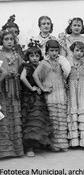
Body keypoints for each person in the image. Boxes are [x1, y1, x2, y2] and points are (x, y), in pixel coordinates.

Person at [33, 39, 71, 152]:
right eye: (51, 50)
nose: (54, 53)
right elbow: (35, 75)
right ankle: (54, 145)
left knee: (61, 117)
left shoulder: (60, 62)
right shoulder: (44, 63)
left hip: (60, 91)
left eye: (56, 50)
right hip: (50, 92)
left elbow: (63, 75)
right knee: (53, 118)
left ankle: (62, 144)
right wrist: (43, 87)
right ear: (47, 51)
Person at [19, 40, 51, 157]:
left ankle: (38, 144)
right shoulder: (26, 66)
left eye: (37, 55)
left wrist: (43, 87)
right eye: (32, 55)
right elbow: (22, 78)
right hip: (29, 96)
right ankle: (29, 147)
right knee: (30, 121)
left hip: (39, 96)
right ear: (28, 57)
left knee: (39, 120)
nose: (34, 58)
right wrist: (32, 88)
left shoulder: (40, 66)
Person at [0, 29, 23, 158]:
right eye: (6, 39)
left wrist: (17, 75)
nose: (9, 41)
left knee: (15, 115)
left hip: (15, 88)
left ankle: (16, 150)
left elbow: (21, 71)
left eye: (11, 39)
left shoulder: (17, 56)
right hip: (3, 88)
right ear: (2, 41)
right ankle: (4, 150)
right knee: (4, 115)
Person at [67, 41, 84, 148]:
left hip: (83, 88)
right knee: (73, 109)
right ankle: (74, 141)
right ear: (72, 52)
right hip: (72, 89)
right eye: (77, 50)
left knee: (82, 109)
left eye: (81, 51)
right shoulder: (68, 64)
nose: (79, 53)